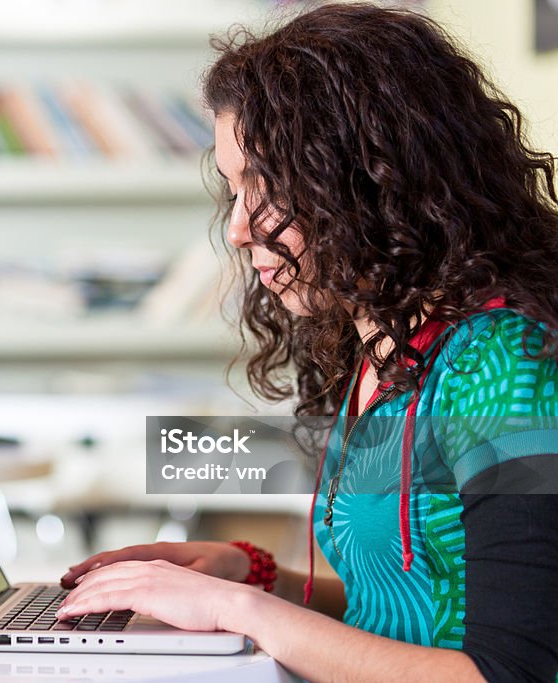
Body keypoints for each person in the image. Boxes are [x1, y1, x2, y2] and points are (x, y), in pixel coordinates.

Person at [55, 4, 558, 682]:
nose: (237, 229)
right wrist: (254, 574)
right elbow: (406, 604)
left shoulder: (505, 368)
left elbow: (506, 670)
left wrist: (238, 608)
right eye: (235, 189)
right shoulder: (378, 350)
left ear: (372, 179)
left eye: (267, 186)